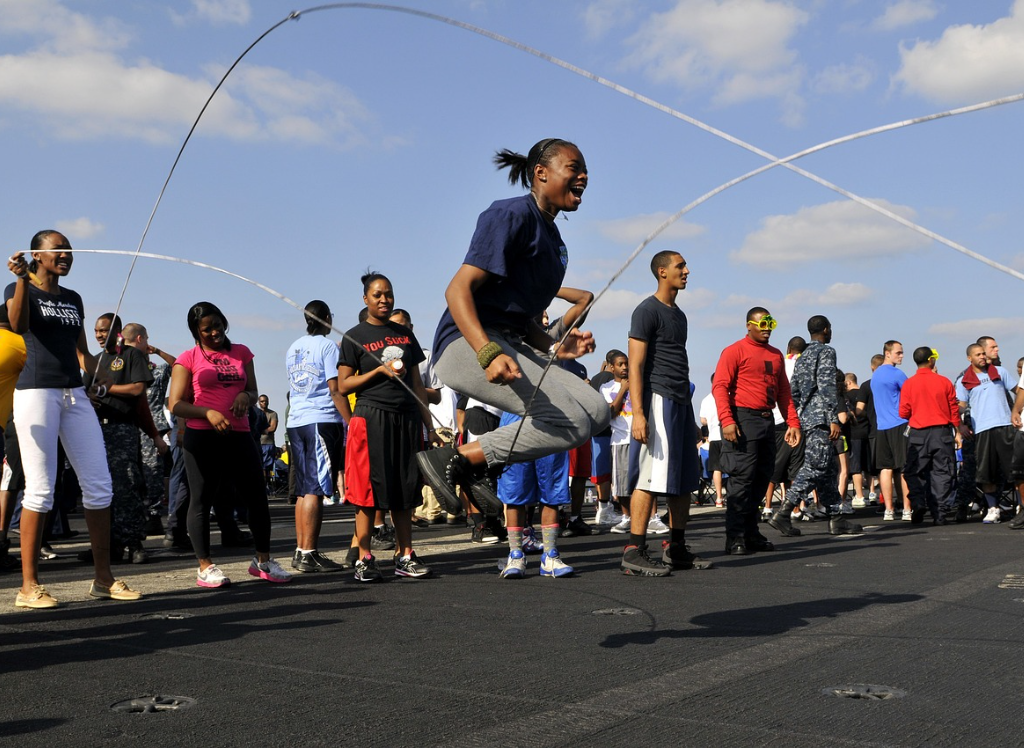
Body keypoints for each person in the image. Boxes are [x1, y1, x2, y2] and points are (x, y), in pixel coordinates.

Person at [419, 138, 609, 515]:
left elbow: (521, 317)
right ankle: (459, 459)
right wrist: (486, 352)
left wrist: (554, 345)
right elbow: (457, 291)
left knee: (596, 410)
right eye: (574, 167)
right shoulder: (510, 215)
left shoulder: (555, 243)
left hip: (510, 341)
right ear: (541, 173)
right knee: (570, 421)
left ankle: (473, 463)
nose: (584, 175)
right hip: (465, 345)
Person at [6, 230, 142, 608]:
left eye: (69, 250)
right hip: (36, 393)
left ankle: (103, 579)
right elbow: (17, 327)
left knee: (100, 485)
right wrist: (20, 279)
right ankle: (28, 586)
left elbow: (82, 352)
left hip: (74, 394)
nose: (66, 255)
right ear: (37, 255)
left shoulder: (73, 298)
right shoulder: (19, 288)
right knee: (41, 489)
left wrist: (98, 378)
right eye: (57, 250)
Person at [168, 301, 292, 588]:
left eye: (218, 325)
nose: (215, 332)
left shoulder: (241, 352)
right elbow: (176, 404)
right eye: (207, 329)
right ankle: (205, 566)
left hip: (240, 433)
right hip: (202, 436)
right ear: (196, 332)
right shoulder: (187, 359)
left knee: (257, 498)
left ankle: (263, 561)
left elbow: (253, 388)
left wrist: (246, 397)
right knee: (202, 500)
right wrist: (207, 413)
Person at [339, 272, 437, 582]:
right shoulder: (353, 335)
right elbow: (343, 385)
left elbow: (418, 384)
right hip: (371, 416)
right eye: (378, 295)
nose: (384, 299)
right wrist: (378, 372)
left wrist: (429, 426)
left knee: (406, 489)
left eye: (389, 294)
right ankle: (365, 557)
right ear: (365, 299)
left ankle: (405, 554)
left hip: (406, 418)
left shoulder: (405, 335)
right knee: (369, 491)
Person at [621, 251, 709, 575]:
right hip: (657, 400)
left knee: (684, 479)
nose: (687, 271)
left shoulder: (680, 315)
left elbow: (680, 362)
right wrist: (639, 414)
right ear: (662, 272)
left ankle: (677, 548)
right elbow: (636, 365)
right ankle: (634, 550)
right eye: (680, 266)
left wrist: (690, 412)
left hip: (681, 402)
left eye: (685, 265)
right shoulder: (646, 311)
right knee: (650, 476)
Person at [715, 308, 800, 554]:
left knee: (762, 478)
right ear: (748, 325)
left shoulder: (775, 355)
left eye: (770, 323)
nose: (767, 327)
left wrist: (793, 422)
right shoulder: (734, 351)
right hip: (742, 418)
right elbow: (720, 386)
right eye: (762, 323)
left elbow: (784, 391)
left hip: (766, 420)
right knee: (742, 480)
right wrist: (727, 420)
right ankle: (735, 537)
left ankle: (751, 533)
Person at [771, 316, 861, 536]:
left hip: (807, 418)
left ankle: (836, 518)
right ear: (826, 330)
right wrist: (832, 418)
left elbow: (794, 391)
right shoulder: (826, 352)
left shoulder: (801, 357)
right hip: (822, 418)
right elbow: (828, 385)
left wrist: (797, 418)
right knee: (815, 467)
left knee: (827, 470)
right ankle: (782, 514)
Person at [286, 300, 349, 573]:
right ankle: (309, 551)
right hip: (320, 419)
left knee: (303, 489)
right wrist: (351, 420)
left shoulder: (293, 347)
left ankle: (302, 550)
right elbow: (336, 388)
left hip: (296, 420)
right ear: (326, 318)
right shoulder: (327, 346)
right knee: (314, 488)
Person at [955, 343, 1016, 524]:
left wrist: (1016, 412)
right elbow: (959, 407)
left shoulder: (999, 372)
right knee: (986, 472)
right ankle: (992, 508)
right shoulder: (963, 380)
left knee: (1015, 470)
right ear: (970, 358)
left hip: (1005, 426)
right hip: (982, 430)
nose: (982, 357)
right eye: (978, 354)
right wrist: (960, 426)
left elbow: (1018, 391)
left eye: (983, 354)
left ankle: (1021, 506)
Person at [898, 347, 961, 524]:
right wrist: (957, 429)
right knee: (942, 472)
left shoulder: (909, 384)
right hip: (941, 433)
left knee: (913, 470)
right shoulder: (944, 382)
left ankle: (918, 502)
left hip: (918, 433)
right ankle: (939, 513)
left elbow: (903, 412)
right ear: (931, 360)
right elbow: (953, 409)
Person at [873, 341, 911, 521]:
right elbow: (911, 397)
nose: (901, 356)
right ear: (887, 353)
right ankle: (906, 509)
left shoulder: (876, 374)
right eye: (898, 353)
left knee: (886, 468)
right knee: (903, 468)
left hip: (882, 426)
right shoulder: (897, 374)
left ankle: (889, 509)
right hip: (899, 423)